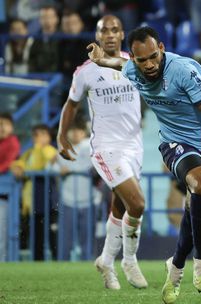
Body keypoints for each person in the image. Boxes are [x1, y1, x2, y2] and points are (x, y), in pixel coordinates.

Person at [87, 26, 201, 302]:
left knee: (200, 195)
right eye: (142, 60)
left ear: (161, 48)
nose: (149, 65)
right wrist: (101, 60)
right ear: (135, 59)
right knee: (200, 184)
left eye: (153, 57)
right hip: (175, 144)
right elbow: (121, 64)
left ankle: (175, 265)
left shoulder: (184, 70)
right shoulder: (132, 69)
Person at [57, 15, 147, 290]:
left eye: (114, 30)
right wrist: (62, 135)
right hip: (106, 148)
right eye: (103, 30)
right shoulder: (85, 71)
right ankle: (129, 260)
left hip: (134, 145)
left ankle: (106, 260)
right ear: (97, 36)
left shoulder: (134, 64)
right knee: (138, 204)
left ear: (122, 35)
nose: (109, 35)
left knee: (121, 205)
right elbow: (71, 104)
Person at [49, 123, 99, 261]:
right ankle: (63, 269)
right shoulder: (62, 147)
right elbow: (49, 166)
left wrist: (68, 168)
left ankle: (88, 267)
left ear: (84, 132)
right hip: (67, 200)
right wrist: (57, 169)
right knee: (66, 239)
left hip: (88, 200)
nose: (75, 133)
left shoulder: (90, 145)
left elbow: (90, 165)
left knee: (87, 239)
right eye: (72, 129)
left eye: (79, 130)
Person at [10, 124, 57, 261]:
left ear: (49, 137)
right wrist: (18, 167)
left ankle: (56, 260)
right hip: (32, 200)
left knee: (49, 233)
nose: (38, 137)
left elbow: (39, 165)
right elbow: (19, 162)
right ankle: (37, 261)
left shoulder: (49, 150)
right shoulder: (29, 152)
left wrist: (38, 148)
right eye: (36, 134)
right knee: (35, 233)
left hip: (45, 199)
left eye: (42, 134)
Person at [0, 113, 20, 261]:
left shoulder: (13, 141)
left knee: (2, 233)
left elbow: (7, 163)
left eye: (4, 124)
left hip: (4, 196)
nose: (1, 127)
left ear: (11, 127)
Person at [28, 5, 60, 73]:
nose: (47, 20)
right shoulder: (35, 38)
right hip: (39, 77)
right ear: (39, 20)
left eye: (50, 17)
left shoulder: (62, 38)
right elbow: (32, 60)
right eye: (44, 17)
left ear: (56, 19)